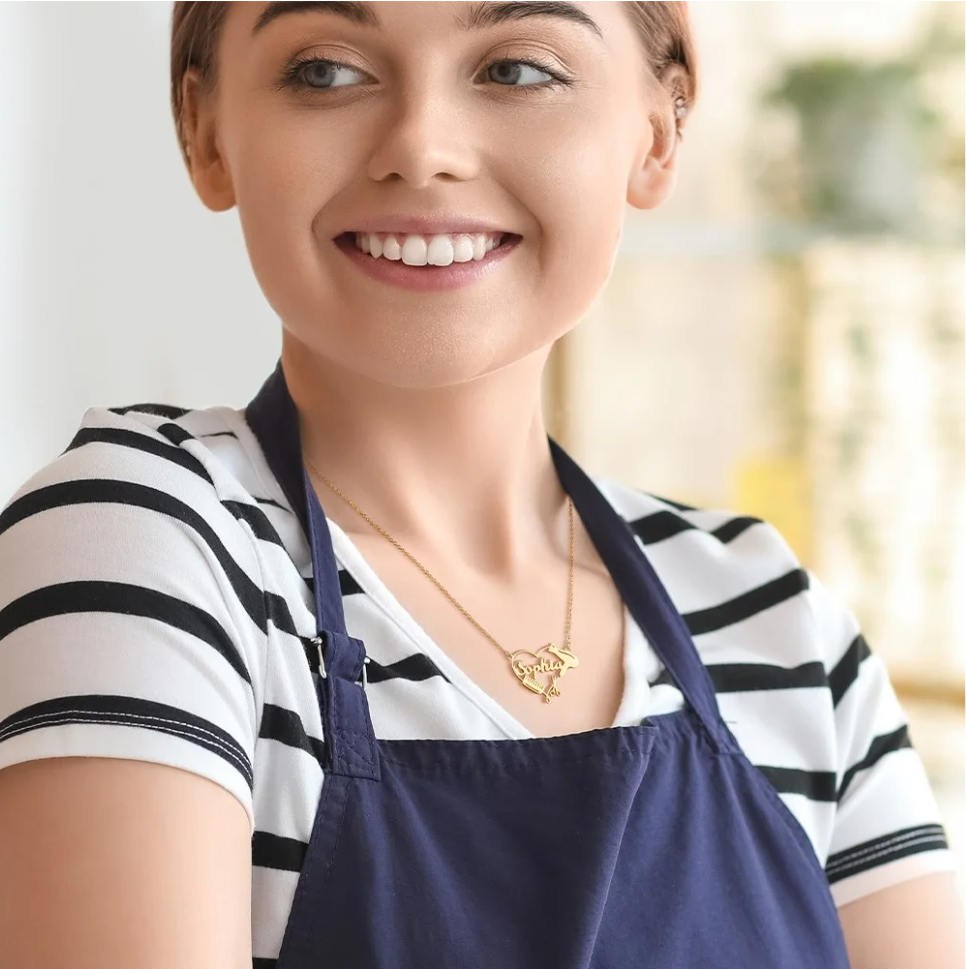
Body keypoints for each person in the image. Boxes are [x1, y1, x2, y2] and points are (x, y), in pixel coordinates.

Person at [0, 2, 962, 967]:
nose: (421, 148)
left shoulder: (777, 622)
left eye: (518, 70)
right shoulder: (145, 550)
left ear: (659, 132)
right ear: (204, 133)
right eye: (327, 71)